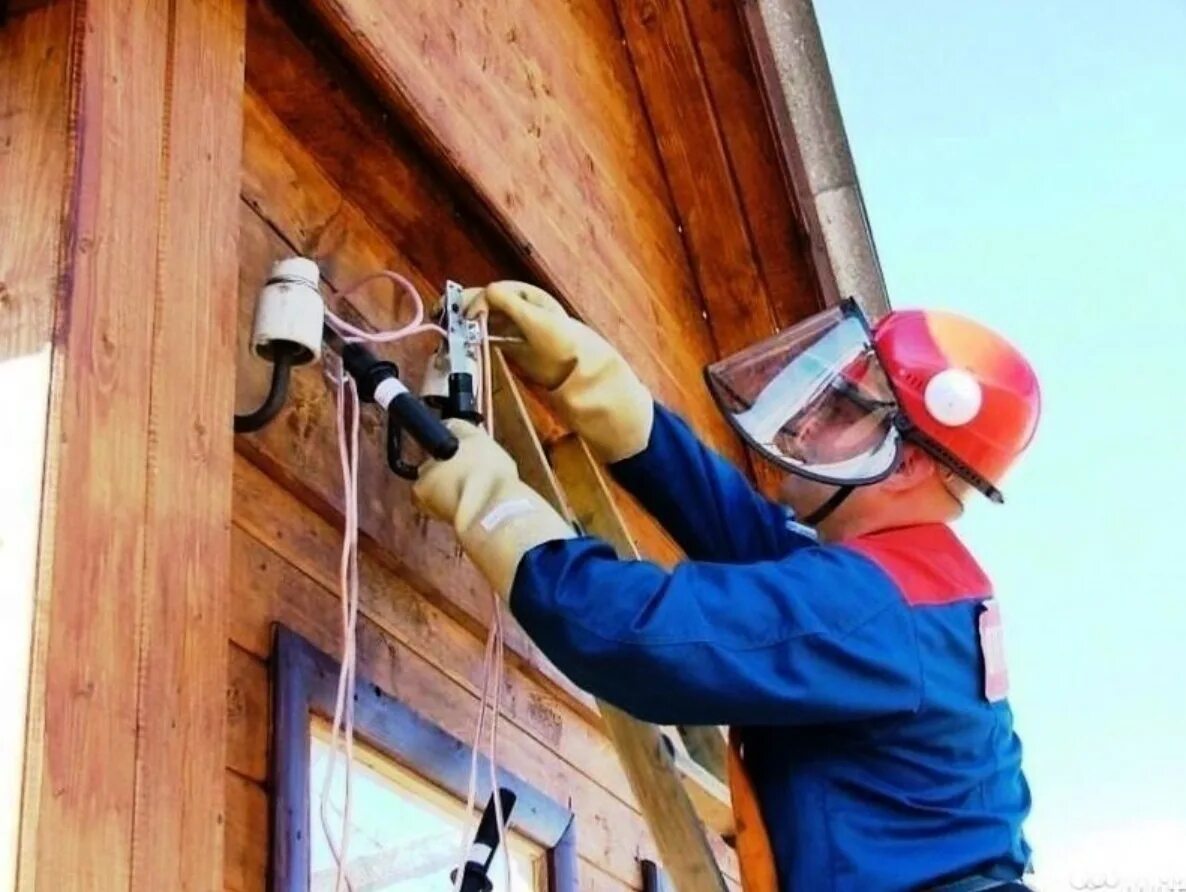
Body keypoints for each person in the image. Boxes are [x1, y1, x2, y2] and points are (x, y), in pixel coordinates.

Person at [412, 282, 1042, 892]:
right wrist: (592, 382)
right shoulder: (912, 579)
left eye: (845, 408)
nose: (809, 420)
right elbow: (737, 524)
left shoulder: (874, 605)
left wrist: (485, 498)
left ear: (908, 464)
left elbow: (642, 638)